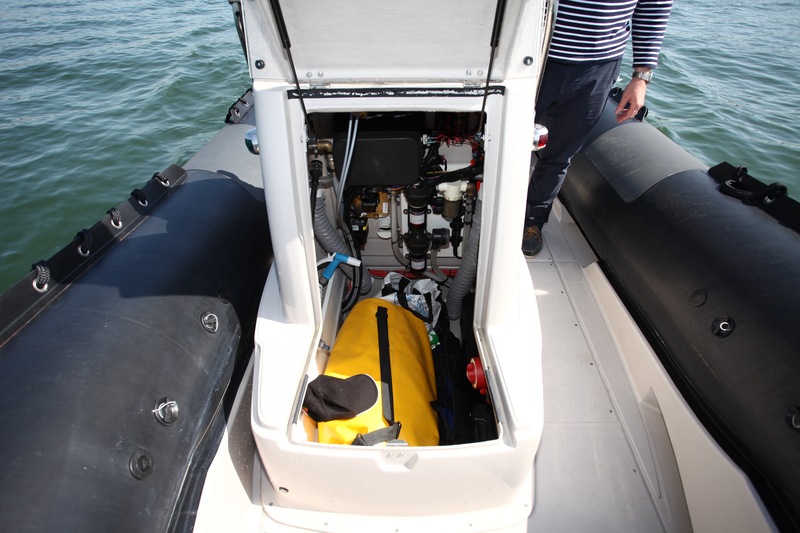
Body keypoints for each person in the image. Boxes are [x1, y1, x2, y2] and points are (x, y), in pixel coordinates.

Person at [522, 0, 673, 257]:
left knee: (560, 155)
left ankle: (532, 222)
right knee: (500, 140)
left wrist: (641, 77)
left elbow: (653, 6)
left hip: (598, 66)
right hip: (528, 56)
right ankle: (486, 211)